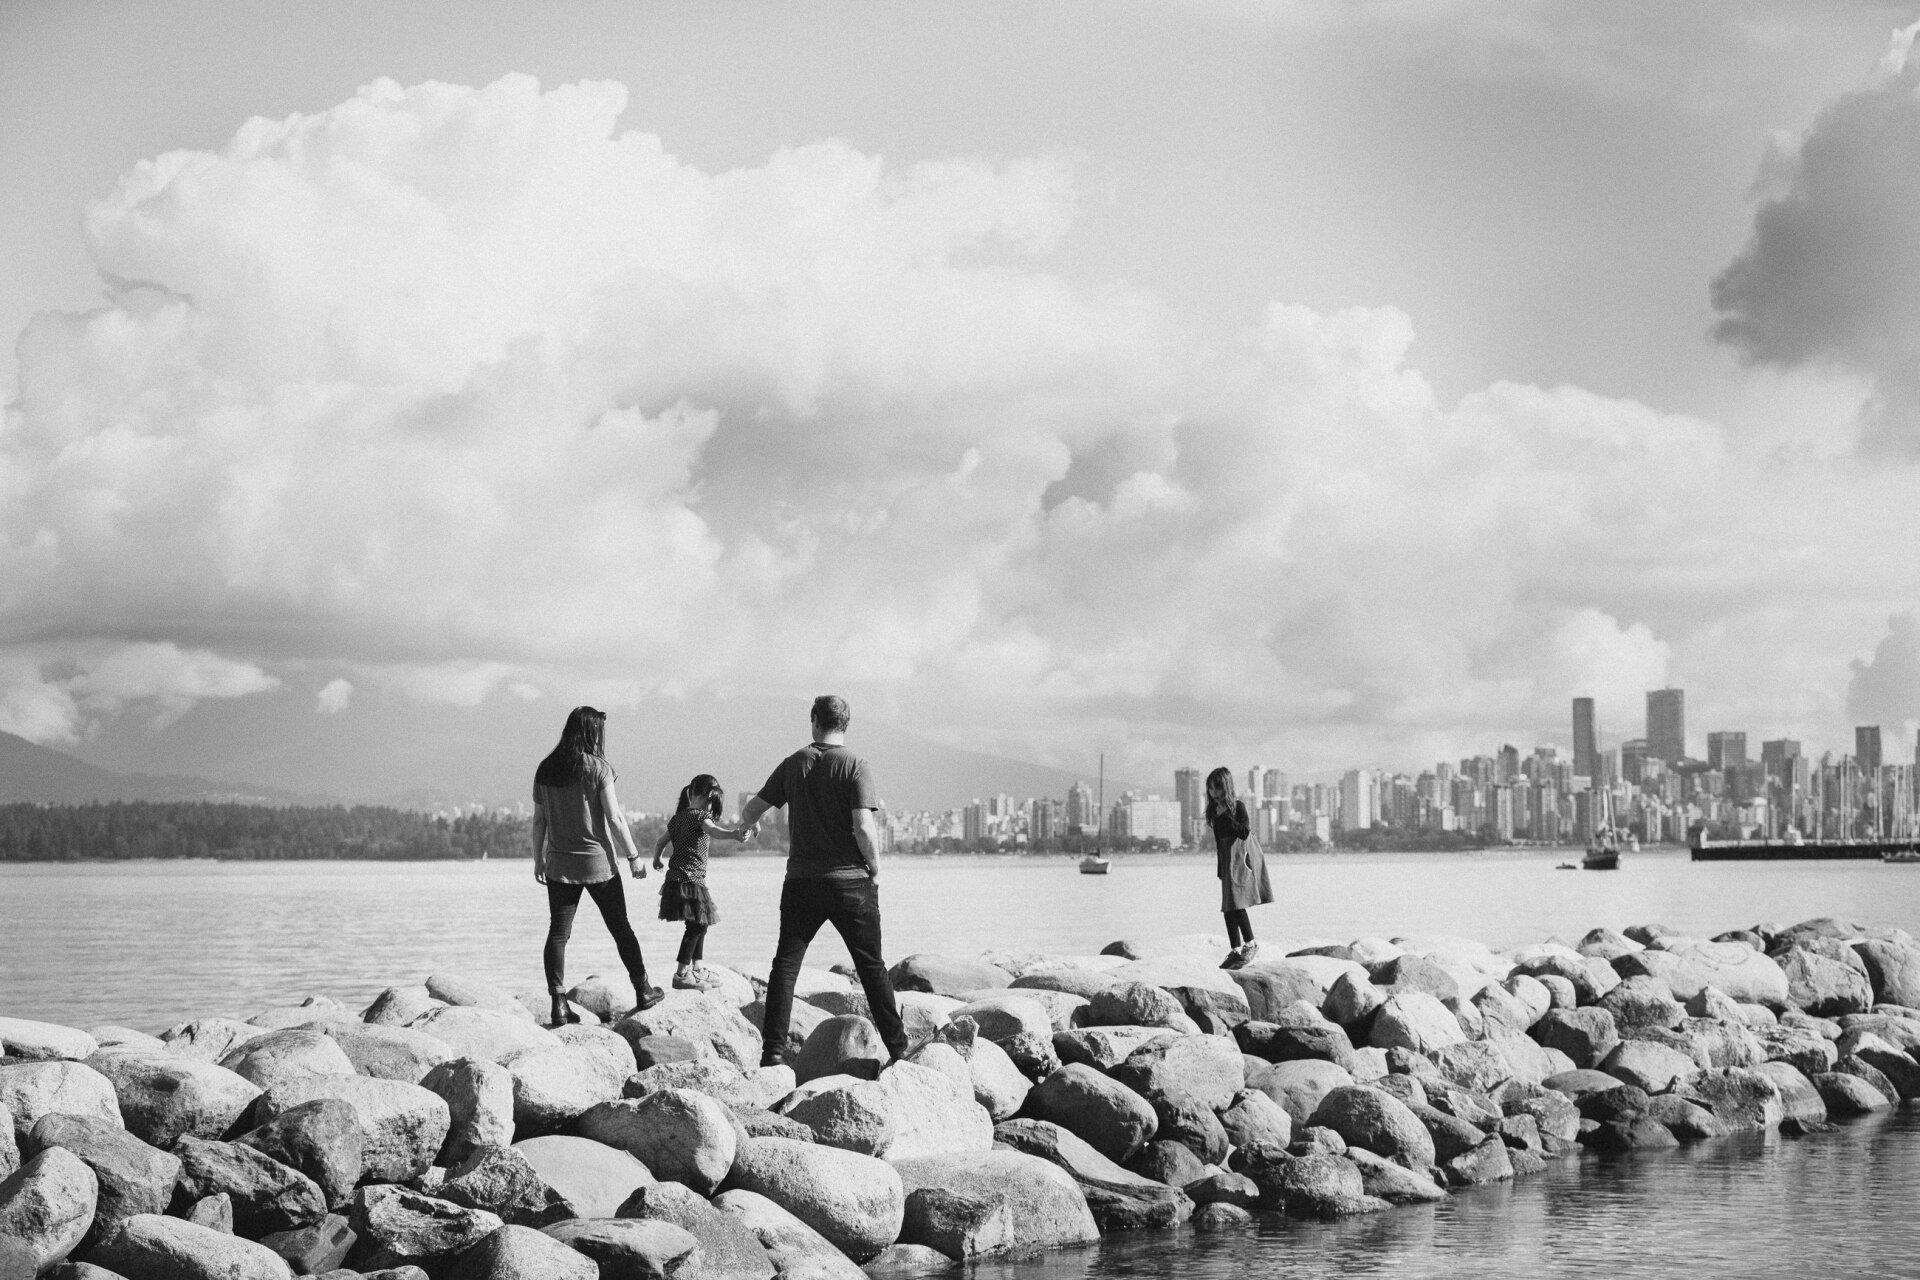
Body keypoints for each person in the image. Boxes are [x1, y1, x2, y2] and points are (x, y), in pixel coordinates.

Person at [738, 695, 910, 1067]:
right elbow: (864, 826)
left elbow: (751, 810)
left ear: (814, 720)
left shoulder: (794, 763)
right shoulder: (856, 765)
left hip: (801, 882)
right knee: (871, 967)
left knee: (785, 966)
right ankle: (898, 1050)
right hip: (851, 884)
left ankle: (772, 1054)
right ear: (845, 724)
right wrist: (875, 868)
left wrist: (746, 828)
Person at [531, 705, 663, 1023]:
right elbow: (615, 818)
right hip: (597, 864)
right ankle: (643, 990)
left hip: (559, 865)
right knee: (621, 928)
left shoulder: (545, 769)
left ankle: (559, 1004)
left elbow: (539, 821)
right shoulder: (598, 767)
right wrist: (633, 857)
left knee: (558, 934)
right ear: (592, 732)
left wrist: (538, 858)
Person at [652, 774, 755, 989]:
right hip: (690, 880)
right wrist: (736, 835)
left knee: (700, 924)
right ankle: (681, 974)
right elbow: (714, 831)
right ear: (709, 796)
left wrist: (656, 860)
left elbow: (661, 842)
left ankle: (697, 969)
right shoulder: (699, 816)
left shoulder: (678, 818)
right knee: (697, 926)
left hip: (676, 880)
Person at [1205, 765, 1273, 970]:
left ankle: (1250, 944)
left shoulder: (1238, 807)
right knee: (1228, 906)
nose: (1212, 792)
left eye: (1216, 788)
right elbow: (1219, 841)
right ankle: (1235, 949)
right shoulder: (1212, 810)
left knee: (1236, 902)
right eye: (1210, 788)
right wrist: (1219, 866)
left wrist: (1225, 815)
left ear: (1225, 787)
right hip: (1226, 859)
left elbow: (1244, 832)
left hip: (1241, 857)